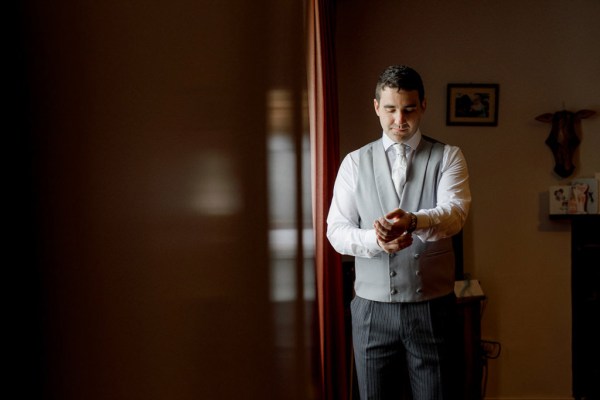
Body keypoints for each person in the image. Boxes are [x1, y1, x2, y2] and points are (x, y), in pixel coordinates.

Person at [327, 65, 471, 400]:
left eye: (408, 109)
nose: (399, 120)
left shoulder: (448, 157)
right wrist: (374, 240)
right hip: (372, 309)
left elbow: (455, 214)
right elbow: (336, 230)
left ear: (423, 105)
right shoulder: (353, 163)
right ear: (376, 106)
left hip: (432, 308)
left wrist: (415, 221)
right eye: (390, 110)